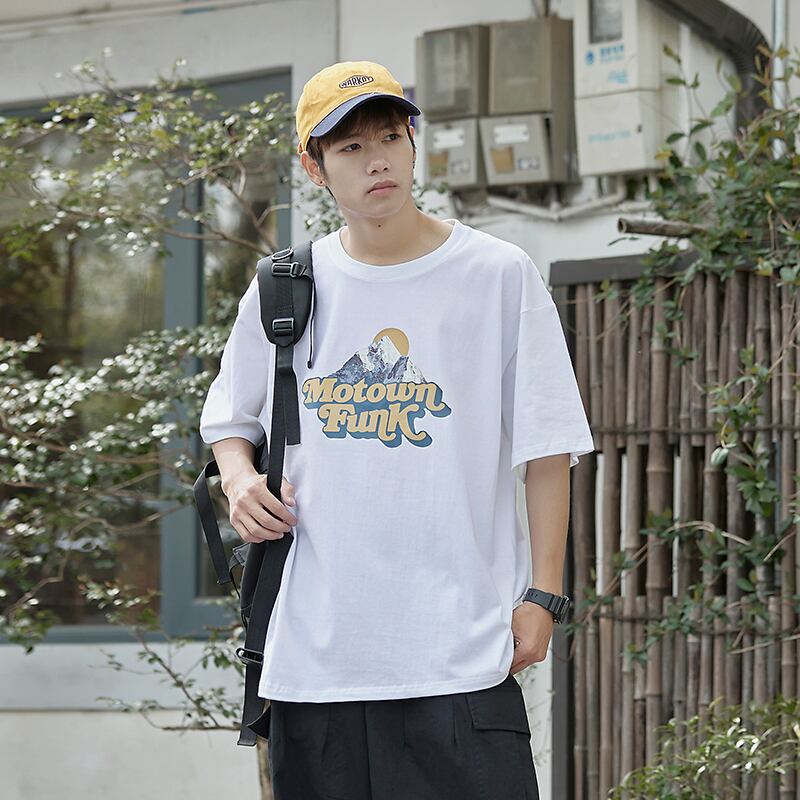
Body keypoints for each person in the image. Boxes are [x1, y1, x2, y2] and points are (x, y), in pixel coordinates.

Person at [199, 60, 595, 800]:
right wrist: (240, 477)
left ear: (414, 143)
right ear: (314, 167)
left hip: (460, 657)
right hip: (316, 663)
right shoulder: (287, 286)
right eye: (350, 147)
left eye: (389, 137)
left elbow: (548, 448)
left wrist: (543, 596)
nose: (376, 160)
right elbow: (230, 417)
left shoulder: (497, 274)